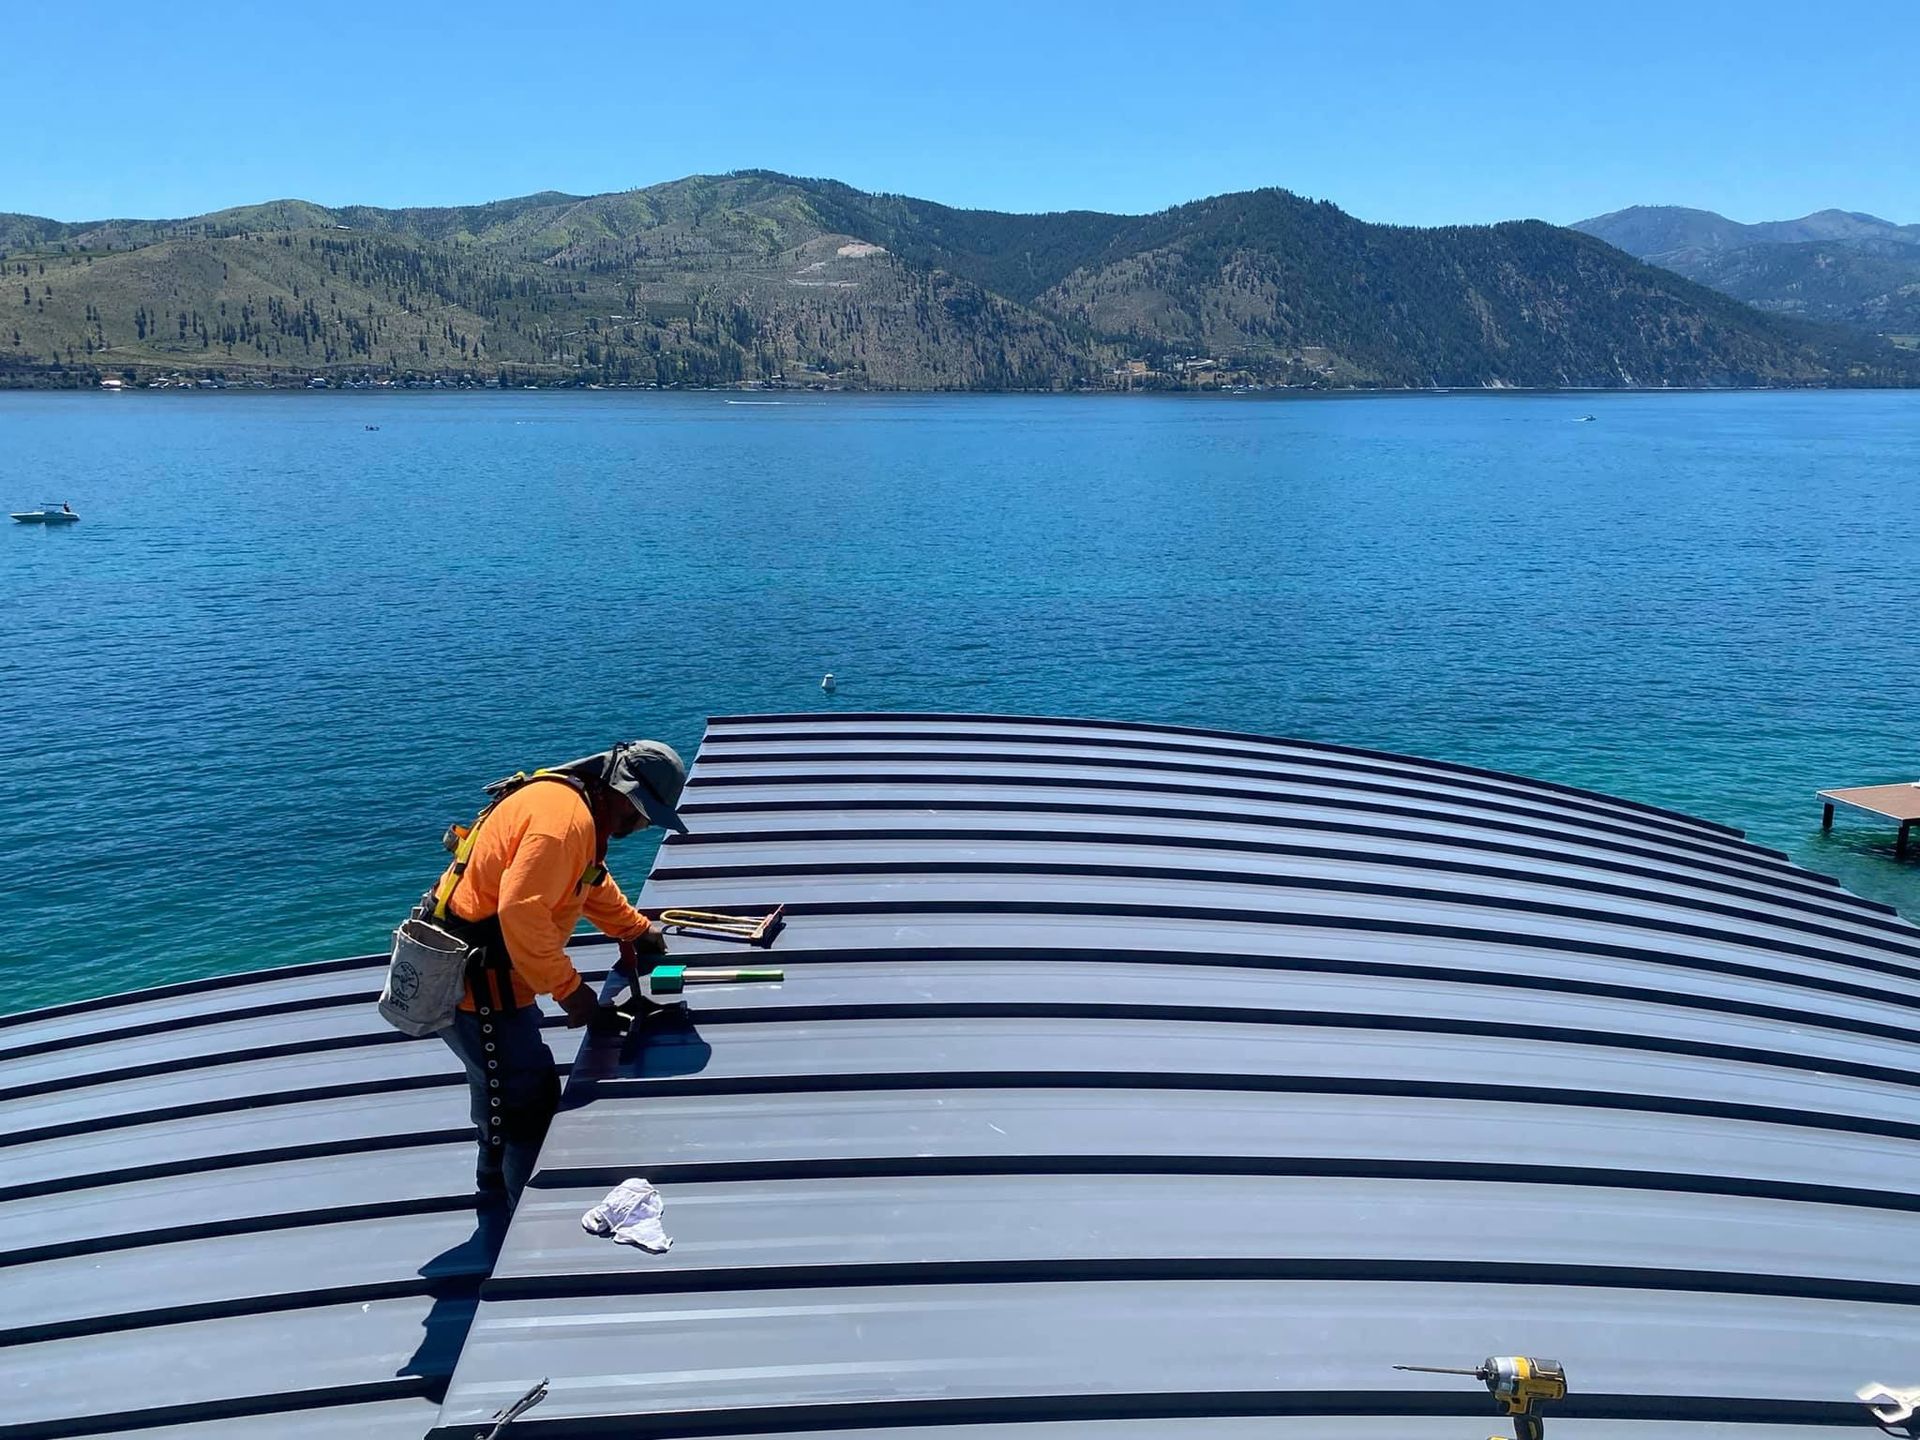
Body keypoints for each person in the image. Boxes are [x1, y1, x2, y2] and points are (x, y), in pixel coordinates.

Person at [428, 739, 689, 1206]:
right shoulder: (563, 824)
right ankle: (521, 1215)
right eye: (641, 814)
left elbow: (588, 882)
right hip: (480, 990)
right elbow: (521, 915)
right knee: (527, 1100)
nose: (640, 826)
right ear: (621, 792)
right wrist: (572, 992)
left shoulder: (572, 805)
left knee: (497, 1090)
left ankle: (490, 1188)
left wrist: (634, 930)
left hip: (484, 982)